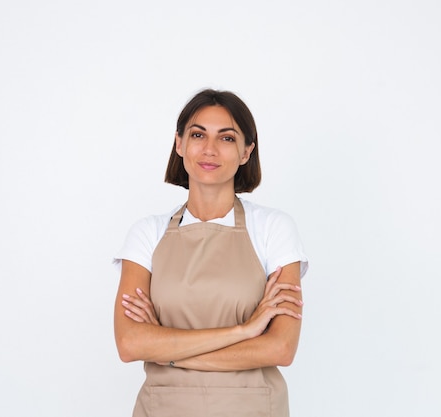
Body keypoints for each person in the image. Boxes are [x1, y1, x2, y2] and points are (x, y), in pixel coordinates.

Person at [113, 88, 309, 417]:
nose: (209, 149)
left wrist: (166, 349)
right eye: (198, 134)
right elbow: (130, 344)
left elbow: (281, 347)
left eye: (227, 138)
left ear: (247, 151)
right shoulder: (147, 233)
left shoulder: (274, 229)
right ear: (179, 144)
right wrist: (242, 332)